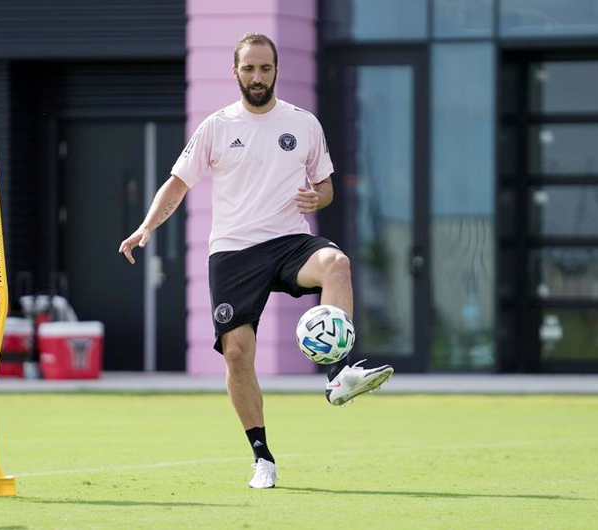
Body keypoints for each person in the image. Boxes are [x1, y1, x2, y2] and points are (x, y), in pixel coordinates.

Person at [119, 32, 393, 489]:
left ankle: (338, 375)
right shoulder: (216, 127)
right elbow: (177, 184)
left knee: (336, 265)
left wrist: (316, 198)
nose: (257, 76)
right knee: (238, 353)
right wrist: (147, 226)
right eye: (249, 68)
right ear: (236, 72)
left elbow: (325, 185)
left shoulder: (304, 123)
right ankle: (262, 458)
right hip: (232, 251)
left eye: (265, 68)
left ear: (276, 71)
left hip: (288, 241)